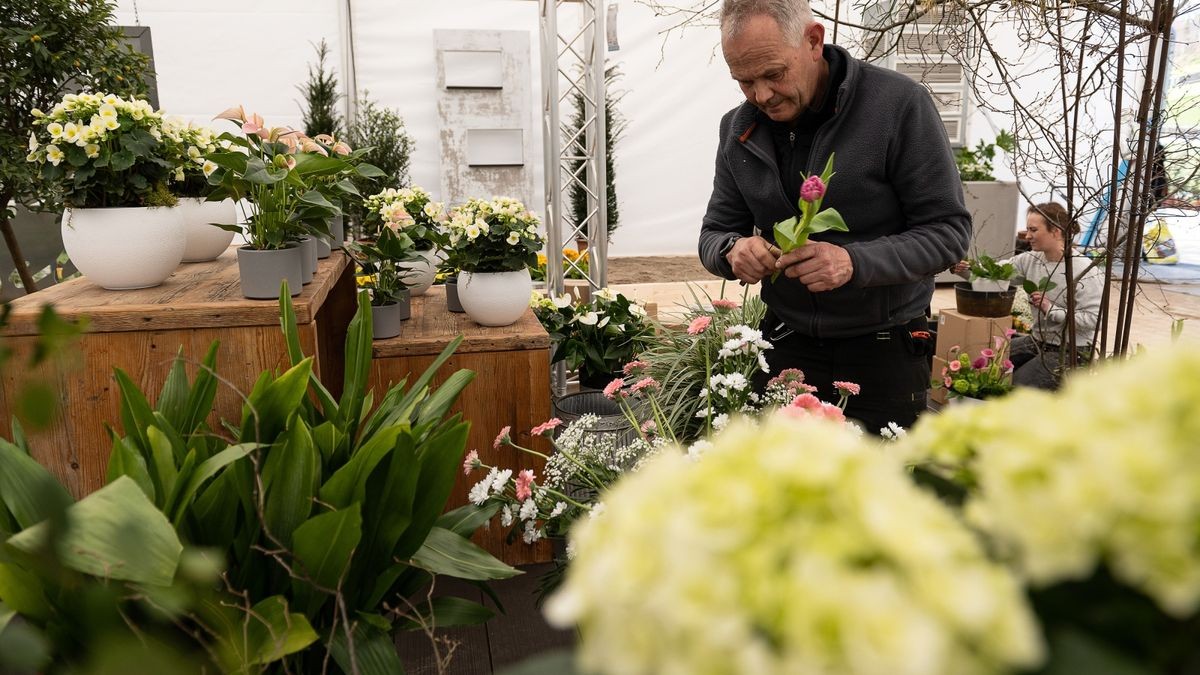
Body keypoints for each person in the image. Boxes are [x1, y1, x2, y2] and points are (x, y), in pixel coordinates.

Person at [698, 0, 971, 432]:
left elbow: (949, 233)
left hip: (884, 349)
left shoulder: (898, 106)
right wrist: (733, 250)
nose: (762, 95)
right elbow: (715, 232)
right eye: (744, 81)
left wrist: (853, 262)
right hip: (785, 346)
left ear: (813, 41)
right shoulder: (737, 129)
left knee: (881, 489)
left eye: (774, 74)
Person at [952, 202, 1103, 389]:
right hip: (1037, 341)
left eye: (1033, 230)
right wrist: (966, 270)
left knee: (1014, 387)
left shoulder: (1085, 271)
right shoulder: (1030, 259)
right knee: (983, 362)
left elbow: (1095, 319)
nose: (1028, 236)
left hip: (1071, 352)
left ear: (1055, 231)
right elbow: (996, 276)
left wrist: (1051, 309)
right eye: (1027, 229)